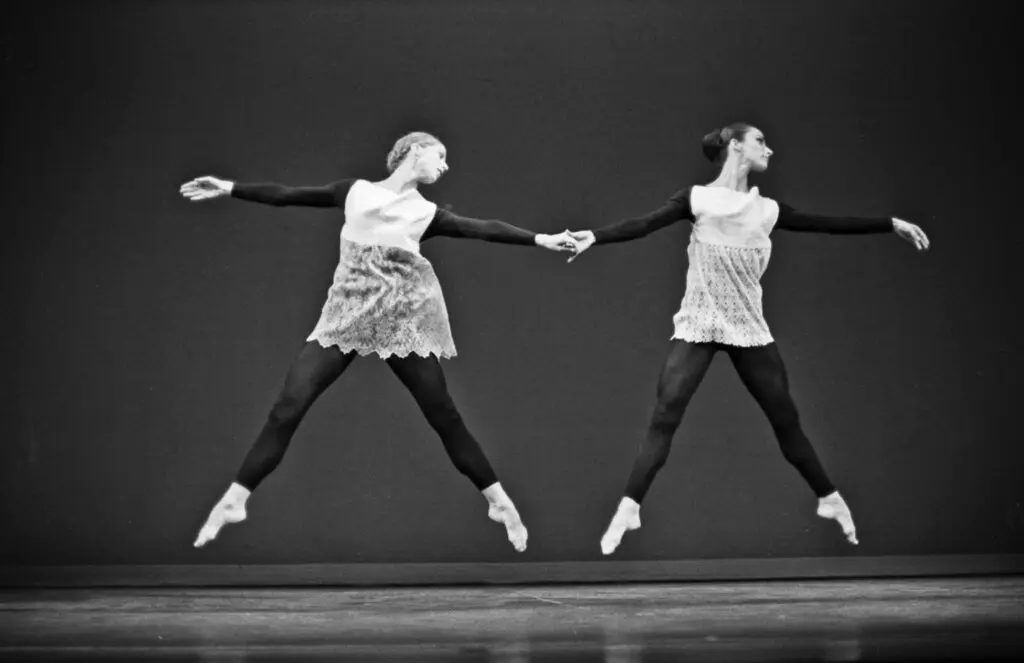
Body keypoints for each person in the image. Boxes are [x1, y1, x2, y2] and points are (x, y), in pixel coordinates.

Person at [179, 131, 578, 552]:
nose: (445, 165)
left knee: (443, 414)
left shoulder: (426, 213)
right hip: (347, 315)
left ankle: (498, 501)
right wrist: (230, 188)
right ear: (415, 150)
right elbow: (285, 195)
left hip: (401, 317)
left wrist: (540, 238)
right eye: (439, 156)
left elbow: (485, 229)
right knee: (287, 406)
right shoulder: (353, 192)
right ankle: (236, 499)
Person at [566, 123, 930, 555]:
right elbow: (643, 224)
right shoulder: (696, 199)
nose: (770, 150)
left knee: (786, 421)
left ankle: (829, 499)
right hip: (701, 322)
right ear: (735, 145)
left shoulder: (768, 210)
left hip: (747, 328)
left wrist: (889, 223)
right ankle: (629, 507)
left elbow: (827, 223)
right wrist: (596, 235)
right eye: (761, 141)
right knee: (665, 415)